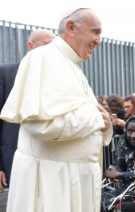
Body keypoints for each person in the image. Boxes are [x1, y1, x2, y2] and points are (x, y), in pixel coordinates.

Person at [0, 8, 113, 212]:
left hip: (72, 178)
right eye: (95, 32)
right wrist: (98, 119)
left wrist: (105, 125)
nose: (99, 41)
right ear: (71, 27)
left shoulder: (72, 65)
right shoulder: (43, 57)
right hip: (52, 180)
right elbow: (44, 125)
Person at [0, 29, 56, 192]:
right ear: (31, 46)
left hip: (48, 164)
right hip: (12, 165)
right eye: (47, 45)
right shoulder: (6, 73)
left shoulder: (59, 78)